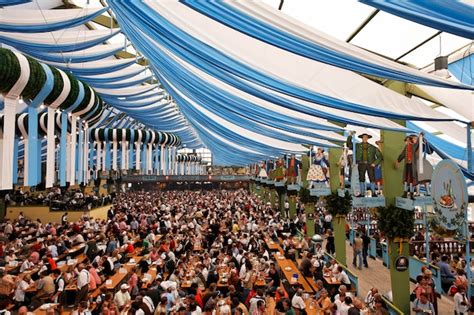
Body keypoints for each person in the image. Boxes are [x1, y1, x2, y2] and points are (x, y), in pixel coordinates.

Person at [346, 132, 382, 196]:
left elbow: (380, 156)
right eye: (363, 137)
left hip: (370, 164)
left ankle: (373, 193)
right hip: (361, 164)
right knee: (361, 178)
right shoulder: (357, 146)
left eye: (366, 137)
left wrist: (375, 163)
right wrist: (350, 136)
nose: (365, 138)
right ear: (362, 138)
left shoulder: (372, 147)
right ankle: (362, 193)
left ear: (368, 138)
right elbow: (349, 145)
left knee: (372, 178)